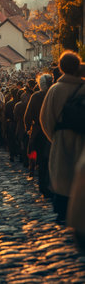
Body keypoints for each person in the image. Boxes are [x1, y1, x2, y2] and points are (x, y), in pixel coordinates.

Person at [40, 51, 85, 224]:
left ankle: (63, 210)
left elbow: (45, 118)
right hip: (82, 139)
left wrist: (55, 137)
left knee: (63, 177)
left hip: (61, 139)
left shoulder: (55, 89)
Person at [24, 73, 53, 194]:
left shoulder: (36, 97)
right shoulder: (52, 95)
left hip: (39, 131)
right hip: (52, 131)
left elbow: (28, 115)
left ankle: (42, 185)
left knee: (41, 159)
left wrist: (28, 128)